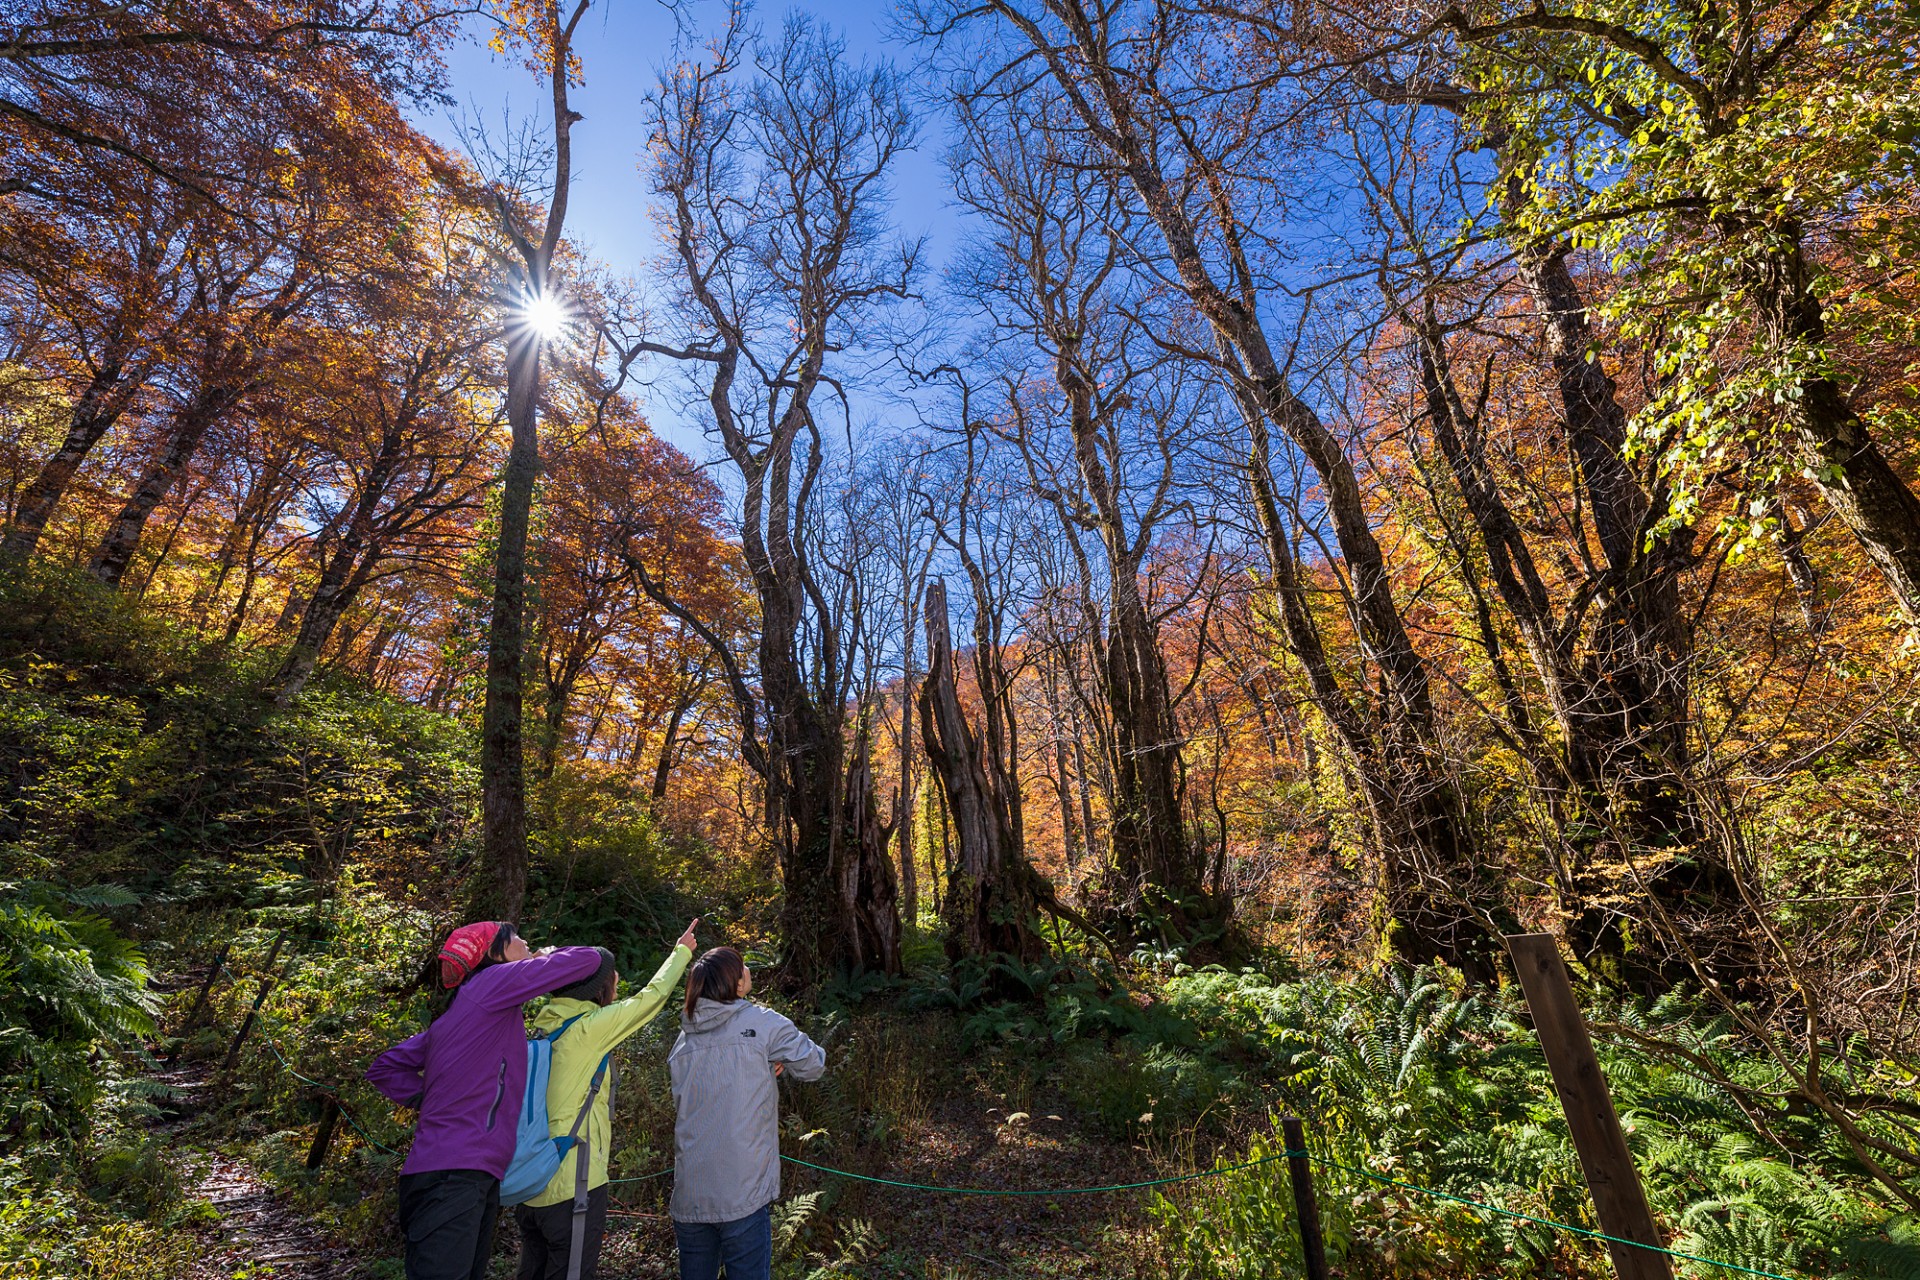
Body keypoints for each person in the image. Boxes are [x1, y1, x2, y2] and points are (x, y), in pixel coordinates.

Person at [367, 922, 603, 1280]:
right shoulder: (491, 984)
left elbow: (386, 1068)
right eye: (517, 938)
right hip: (453, 1175)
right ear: (496, 954)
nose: (527, 942)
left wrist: (438, 1097)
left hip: (465, 1174)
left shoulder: (460, 1016)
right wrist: (547, 956)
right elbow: (589, 960)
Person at [513, 919, 701, 1280]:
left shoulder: (542, 1027)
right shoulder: (588, 1029)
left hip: (530, 1182)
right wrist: (681, 952)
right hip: (573, 1186)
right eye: (612, 977)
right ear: (597, 989)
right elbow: (651, 999)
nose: (616, 982)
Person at [668, 947, 826, 1280]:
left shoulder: (682, 1041)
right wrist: (770, 1056)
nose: (749, 972)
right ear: (736, 983)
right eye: (744, 968)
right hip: (742, 1192)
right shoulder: (761, 1023)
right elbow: (814, 1064)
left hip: (690, 1193)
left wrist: (763, 1060)